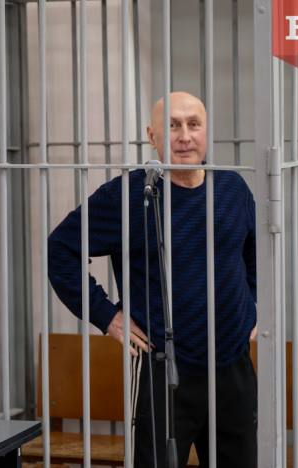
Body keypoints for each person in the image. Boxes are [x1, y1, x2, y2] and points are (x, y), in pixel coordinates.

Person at [48, 91, 257, 467]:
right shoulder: (130, 196)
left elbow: (253, 254)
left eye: (194, 124)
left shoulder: (232, 188)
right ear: (152, 135)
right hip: (163, 369)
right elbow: (60, 249)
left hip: (233, 367)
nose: (185, 136)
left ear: (207, 131)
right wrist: (107, 316)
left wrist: (254, 307)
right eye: (172, 126)